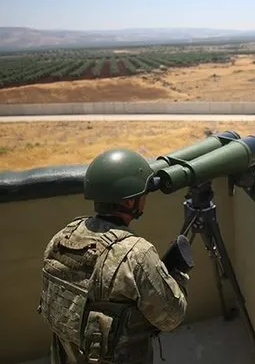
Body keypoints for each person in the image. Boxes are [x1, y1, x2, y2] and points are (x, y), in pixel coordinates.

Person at [37, 148, 190, 364]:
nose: (145, 197)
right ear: (129, 202)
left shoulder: (62, 237)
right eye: (142, 193)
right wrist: (177, 276)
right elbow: (171, 318)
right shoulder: (136, 254)